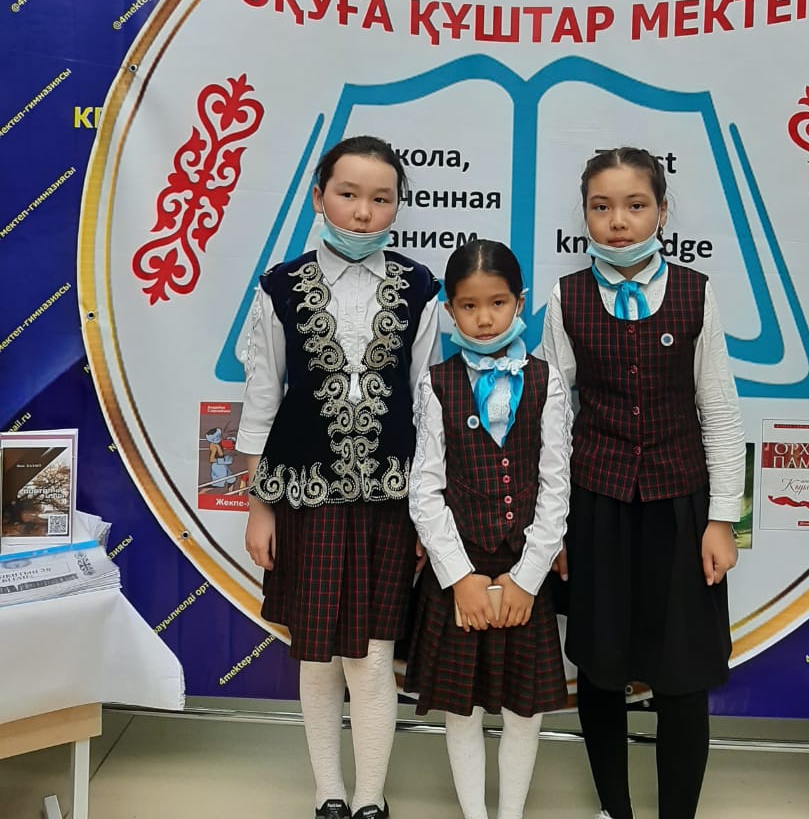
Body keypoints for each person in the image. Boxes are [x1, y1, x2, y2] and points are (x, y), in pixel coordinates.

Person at [237, 136, 442, 819]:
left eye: (381, 199)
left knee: (374, 656)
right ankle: (328, 792)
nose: (362, 212)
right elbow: (262, 396)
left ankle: (370, 798)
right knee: (317, 656)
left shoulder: (419, 287)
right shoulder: (280, 285)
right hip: (305, 498)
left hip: (390, 502)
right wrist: (259, 505)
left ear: (397, 206)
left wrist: (428, 512)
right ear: (318, 196)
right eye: (348, 194)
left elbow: (427, 402)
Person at [541, 147, 745, 819]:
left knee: (683, 673)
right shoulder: (567, 296)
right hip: (596, 507)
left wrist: (722, 520)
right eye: (601, 207)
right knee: (600, 670)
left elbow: (720, 411)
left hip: (680, 506)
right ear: (585, 214)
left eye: (635, 205)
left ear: (661, 210)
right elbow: (552, 418)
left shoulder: (694, 291)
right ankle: (616, 809)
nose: (618, 221)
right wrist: (553, 528)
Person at [404, 239, 572, 819]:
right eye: (468, 306)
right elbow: (424, 489)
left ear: (519, 302)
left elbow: (556, 485)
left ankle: (510, 814)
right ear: (450, 310)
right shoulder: (436, 383)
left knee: (526, 711)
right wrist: (459, 577)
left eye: (497, 303)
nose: (483, 318)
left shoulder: (547, 381)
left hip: (526, 569)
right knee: (462, 708)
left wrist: (528, 577)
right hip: (461, 571)